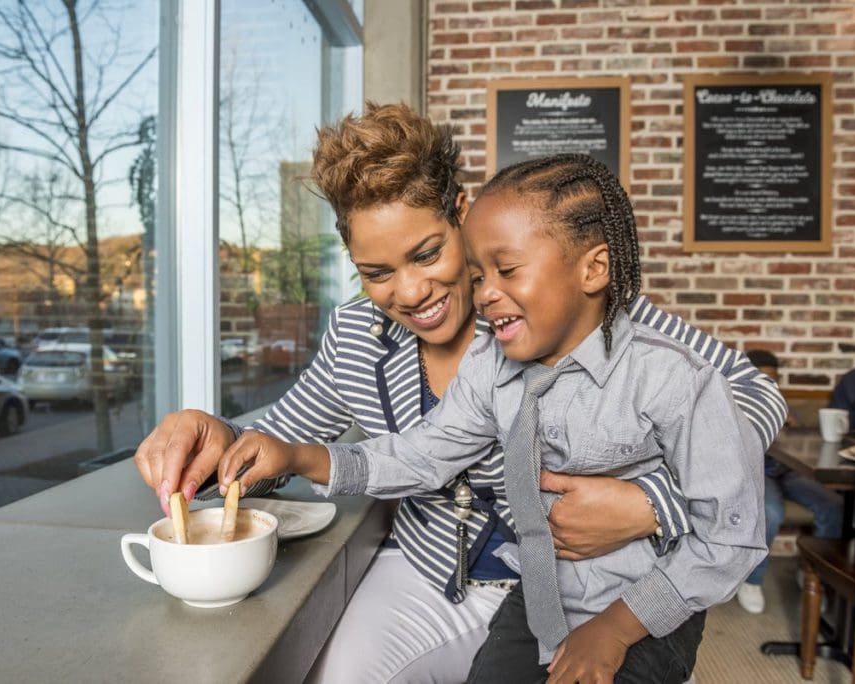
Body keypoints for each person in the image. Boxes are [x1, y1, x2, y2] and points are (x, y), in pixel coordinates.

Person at [134, 104, 785, 683]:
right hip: (425, 572)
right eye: (377, 273)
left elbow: (753, 397)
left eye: (426, 253)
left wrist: (653, 502)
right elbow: (285, 440)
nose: (409, 292)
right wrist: (217, 436)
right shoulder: (356, 336)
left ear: (464, 214)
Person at [734, 350, 843, 615]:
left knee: (833, 505)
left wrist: (790, 422)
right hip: (759, 473)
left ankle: (813, 573)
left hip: (790, 471)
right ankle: (752, 580)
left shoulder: (781, 404)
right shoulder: (733, 404)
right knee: (770, 512)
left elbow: (800, 443)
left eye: (772, 380)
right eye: (758, 379)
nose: (766, 385)